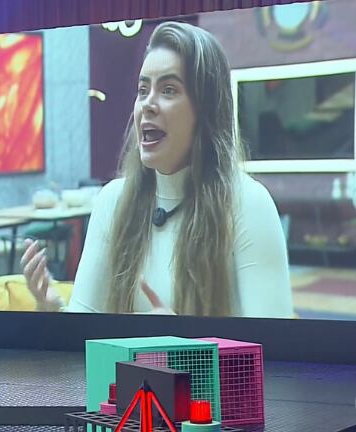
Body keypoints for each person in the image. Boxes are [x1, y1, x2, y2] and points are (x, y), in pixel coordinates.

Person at [21, 22, 293, 318]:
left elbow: (273, 345)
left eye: (168, 90)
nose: (148, 104)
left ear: (205, 110)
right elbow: (85, 326)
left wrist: (178, 340)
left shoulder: (248, 204)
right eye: (142, 90)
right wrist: (53, 309)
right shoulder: (113, 201)